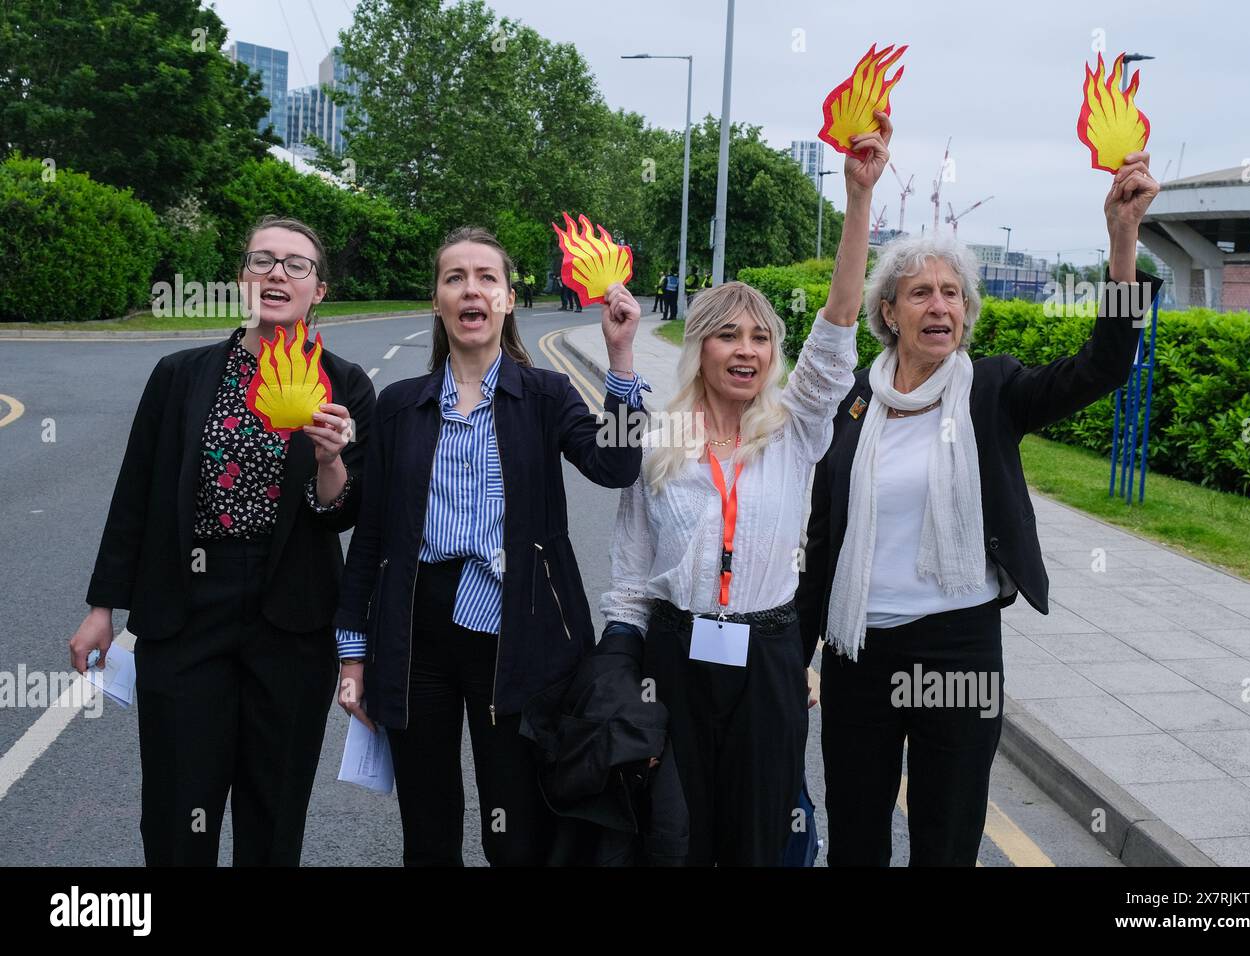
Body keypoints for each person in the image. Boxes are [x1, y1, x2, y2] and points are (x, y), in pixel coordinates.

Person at [796, 151, 1162, 866]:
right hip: (857, 651)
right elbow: (820, 536)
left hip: (957, 649)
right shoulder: (850, 404)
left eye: (953, 294)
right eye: (922, 293)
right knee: (857, 840)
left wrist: (1123, 240)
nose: (940, 306)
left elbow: (1104, 366)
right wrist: (793, 656)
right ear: (889, 313)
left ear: (966, 312)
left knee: (948, 840)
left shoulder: (993, 390)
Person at [600, 119, 888, 865]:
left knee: (763, 832)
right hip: (676, 651)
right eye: (729, 335)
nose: (748, 351)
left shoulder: (795, 427)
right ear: (700, 349)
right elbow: (631, 573)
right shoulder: (659, 443)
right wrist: (619, 662)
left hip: (766, 652)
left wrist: (858, 200)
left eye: (760, 338)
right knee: (676, 830)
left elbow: (836, 334)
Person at [333, 226, 647, 866]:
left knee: (514, 825)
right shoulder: (399, 406)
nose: (471, 289)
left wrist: (620, 362)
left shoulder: (546, 394)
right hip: (418, 631)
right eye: (455, 278)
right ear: (438, 301)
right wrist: (353, 655)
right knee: (427, 821)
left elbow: (617, 467)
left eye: (486, 278)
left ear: (507, 300)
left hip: (520, 628)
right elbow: (370, 538)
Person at [70, 215, 375, 866]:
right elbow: (136, 494)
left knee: (273, 816)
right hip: (186, 615)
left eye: (296, 265)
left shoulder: (346, 385)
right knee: (180, 817)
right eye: (262, 261)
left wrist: (329, 461)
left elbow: (346, 514)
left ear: (318, 290)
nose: (276, 274)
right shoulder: (180, 375)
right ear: (242, 279)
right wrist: (103, 606)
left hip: (291, 617)